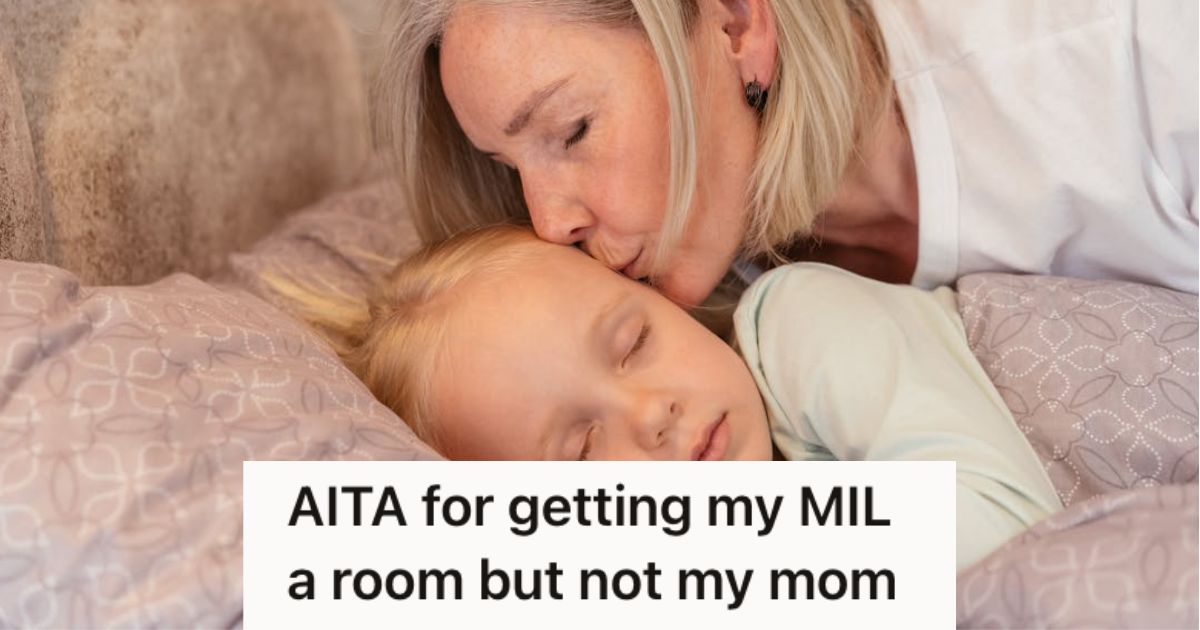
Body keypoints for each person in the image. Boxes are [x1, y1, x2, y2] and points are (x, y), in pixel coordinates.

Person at [269, 223, 1062, 569]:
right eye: (581, 450)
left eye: (634, 342)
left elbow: (1011, 534)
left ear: (663, 298)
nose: (650, 415)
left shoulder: (799, 326)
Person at [376, 0, 1198, 308]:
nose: (549, 222)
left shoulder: (1130, 52)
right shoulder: (739, 285)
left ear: (736, 25)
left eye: (574, 132)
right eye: (511, 169)